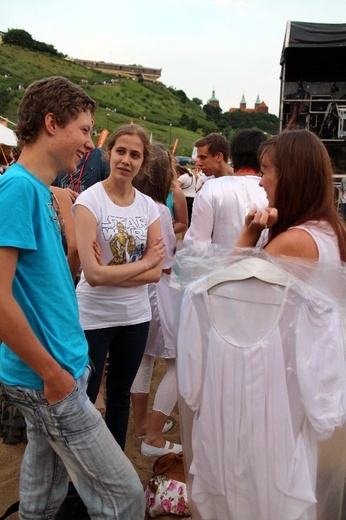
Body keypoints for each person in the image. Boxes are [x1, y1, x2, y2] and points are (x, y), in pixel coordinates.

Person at [0, 76, 145, 519]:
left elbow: (40, 284)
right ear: (50, 123)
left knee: (43, 492)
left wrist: (74, 255)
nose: (90, 143)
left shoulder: (41, 191)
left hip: (55, 370)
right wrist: (54, 374)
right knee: (126, 498)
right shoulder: (19, 189)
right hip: (49, 378)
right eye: (84, 129)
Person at [73, 123, 165, 451]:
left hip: (134, 316)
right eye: (121, 151)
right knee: (84, 395)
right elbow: (94, 276)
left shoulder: (148, 207)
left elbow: (157, 274)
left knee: (119, 396)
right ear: (109, 152)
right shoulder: (89, 201)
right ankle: (81, 474)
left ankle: (113, 470)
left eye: (135, 154)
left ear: (143, 162)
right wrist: (142, 263)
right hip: (93, 315)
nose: (126, 160)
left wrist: (111, 270)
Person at [130, 144, 182, 457]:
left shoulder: (131, 204)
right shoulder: (159, 210)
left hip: (138, 294)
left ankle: (140, 427)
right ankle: (153, 437)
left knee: (144, 358)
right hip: (161, 292)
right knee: (179, 364)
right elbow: (164, 263)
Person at [184, 129, 268, 246]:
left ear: (231, 158)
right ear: (263, 158)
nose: (198, 163)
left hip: (217, 263)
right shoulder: (272, 191)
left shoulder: (210, 188)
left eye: (203, 157)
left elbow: (196, 243)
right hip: (262, 263)